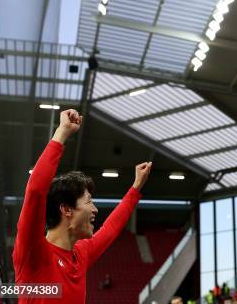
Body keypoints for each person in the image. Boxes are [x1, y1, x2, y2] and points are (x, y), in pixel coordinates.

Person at [13, 109, 152, 304]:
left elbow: (111, 229)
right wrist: (62, 132)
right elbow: (36, 191)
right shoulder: (33, 252)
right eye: (89, 201)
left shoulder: (81, 253)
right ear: (66, 209)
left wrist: (136, 187)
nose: (95, 209)